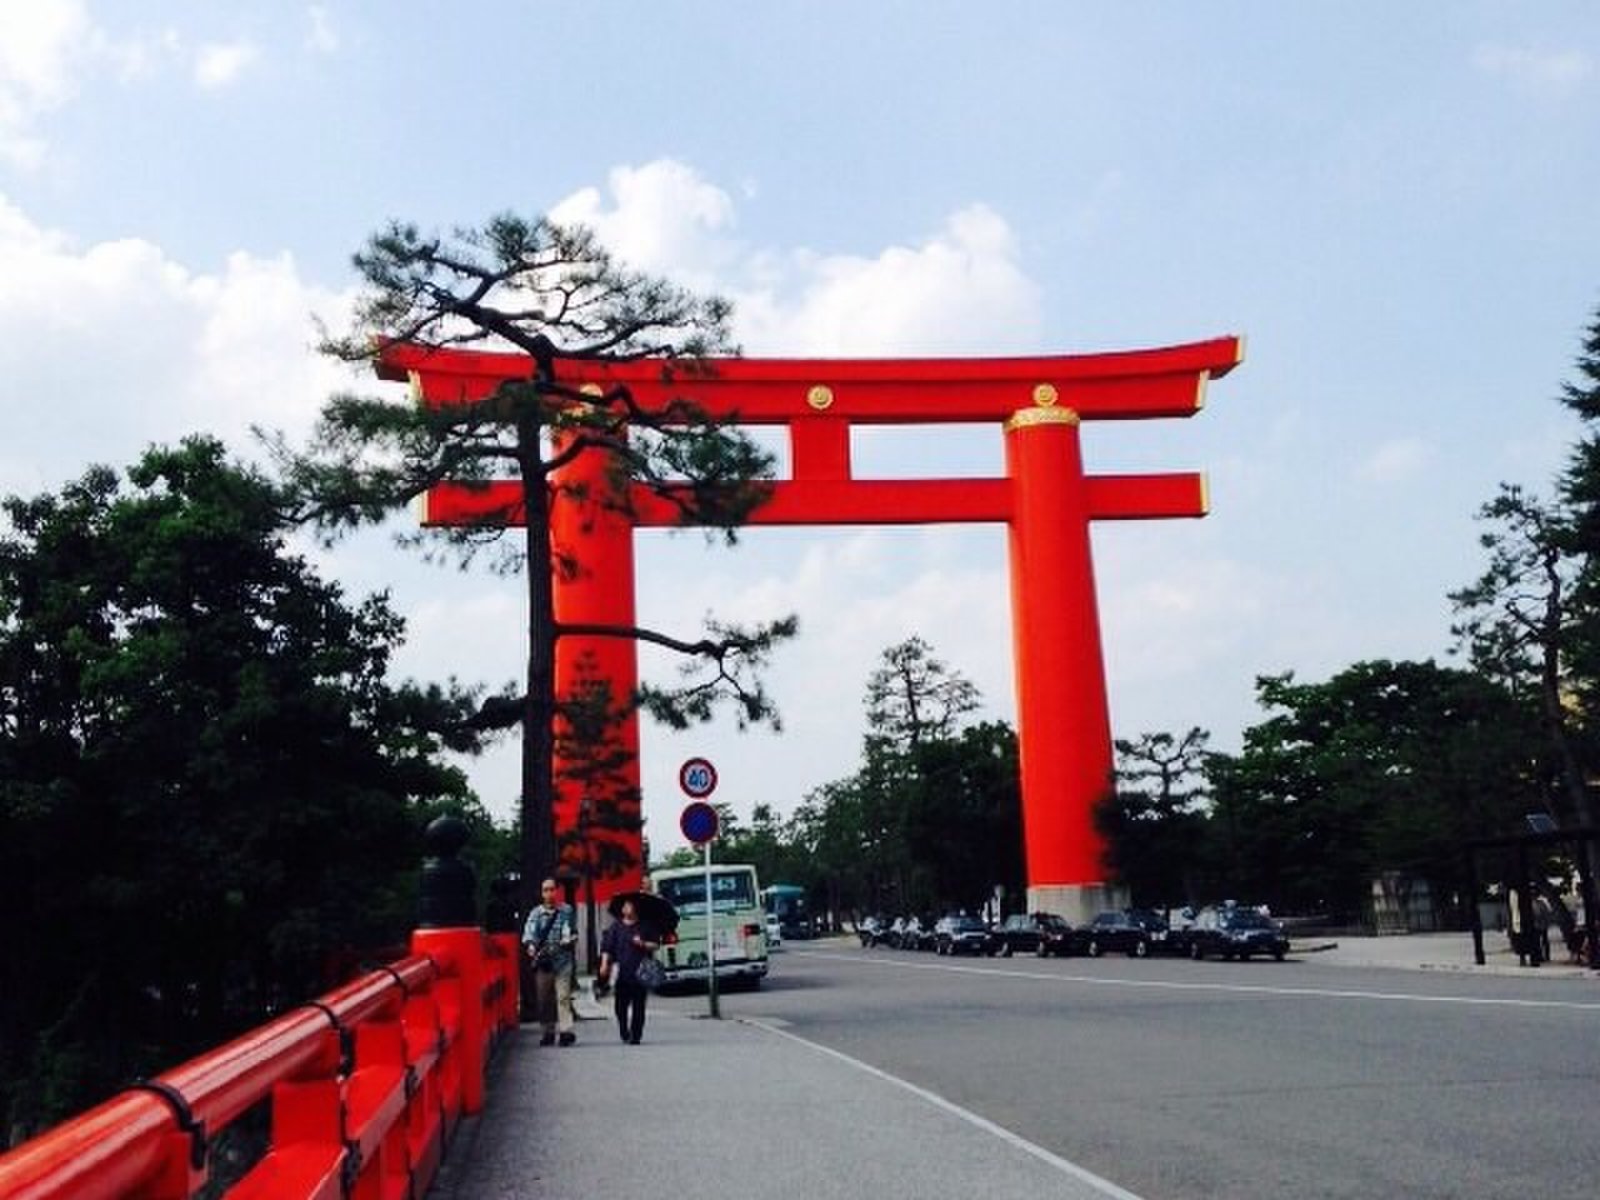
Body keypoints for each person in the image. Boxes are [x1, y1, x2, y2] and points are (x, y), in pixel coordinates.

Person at [522, 878, 578, 1046]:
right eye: (546, 890)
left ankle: (566, 1031)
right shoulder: (536, 914)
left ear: (557, 891)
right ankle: (548, 1030)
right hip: (544, 962)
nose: (549, 893)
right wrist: (531, 946)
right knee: (544, 999)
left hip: (563, 960)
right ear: (542, 893)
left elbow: (574, 931)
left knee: (563, 996)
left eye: (552, 889)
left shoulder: (567, 911)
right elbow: (530, 935)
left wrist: (571, 939)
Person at [598, 899, 660, 1045]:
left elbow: (656, 944)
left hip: (640, 972)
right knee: (620, 1006)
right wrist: (604, 964)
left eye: (628, 905)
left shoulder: (645, 925)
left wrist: (643, 943)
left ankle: (636, 1035)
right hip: (621, 972)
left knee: (639, 1006)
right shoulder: (616, 927)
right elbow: (607, 947)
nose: (625, 908)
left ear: (635, 908)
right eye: (624, 906)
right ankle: (624, 1030)